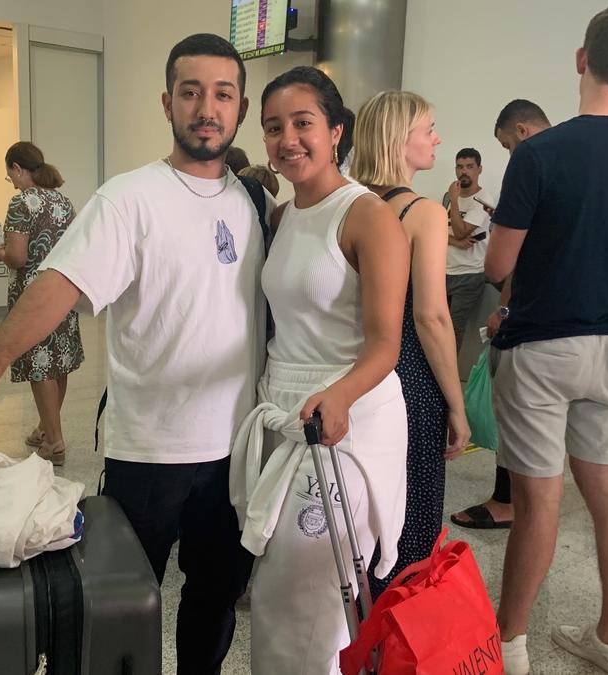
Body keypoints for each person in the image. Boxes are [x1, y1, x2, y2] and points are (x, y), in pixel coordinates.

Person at [0, 34, 265, 673]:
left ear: (241, 109)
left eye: (223, 94)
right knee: (120, 603)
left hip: (237, 447)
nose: (207, 107)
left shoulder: (253, 202)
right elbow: (58, 284)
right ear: (167, 102)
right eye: (192, 92)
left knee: (217, 593)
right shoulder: (130, 198)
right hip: (150, 450)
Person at [486, 3, 608, 673]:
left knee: (539, 499)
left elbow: (498, 266)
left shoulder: (539, 154)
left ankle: (508, 645)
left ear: (580, 59)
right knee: (607, 488)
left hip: (541, 345)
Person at [228, 66, 409, 673]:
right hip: (285, 414)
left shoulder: (367, 216)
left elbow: (386, 343)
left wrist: (339, 397)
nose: (288, 140)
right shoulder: (282, 218)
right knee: (278, 595)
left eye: (303, 123)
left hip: (342, 419)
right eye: (273, 127)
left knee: (312, 598)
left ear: (336, 130)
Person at [348, 90, 470, 598]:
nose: (438, 138)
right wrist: (458, 407)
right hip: (410, 380)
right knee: (409, 517)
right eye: (429, 129)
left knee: (360, 513)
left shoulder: (345, 202)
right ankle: (394, 635)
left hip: (351, 376)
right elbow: (432, 316)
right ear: (401, 140)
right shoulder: (422, 212)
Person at [450, 99, 551, 532]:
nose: (511, 155)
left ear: (523, 133)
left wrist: (505, 307)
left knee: (516, 411)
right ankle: (532, 504)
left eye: (508, 146)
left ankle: (510, 501)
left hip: (530, 317)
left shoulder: (531, 165)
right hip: (586, 327)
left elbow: (499, 262)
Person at [0, 142, 83, 464]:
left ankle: (54, 442)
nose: (12, 182)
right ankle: (45, 428)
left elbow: (17, 256)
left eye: (9, 175)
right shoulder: (63, 202)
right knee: (59, 361)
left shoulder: (21, 203)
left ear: (17, 168)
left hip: (32, 293)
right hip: (63, 289)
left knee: (40, 363)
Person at [443, 148, 496, 356]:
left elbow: (460, 229)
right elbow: (441, 231)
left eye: (469, 167)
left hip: (469, 274)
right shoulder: (447, 197)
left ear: (479, 169)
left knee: (452, 331)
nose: (463, 171)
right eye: (459, 166)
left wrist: (454, 201)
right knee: (436, 327)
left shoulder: (484, 199)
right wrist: (454, 242)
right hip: (444, 272)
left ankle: (446, 383)